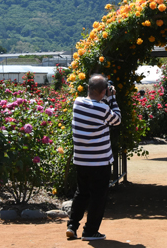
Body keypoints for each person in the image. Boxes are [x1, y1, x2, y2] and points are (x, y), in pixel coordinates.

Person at [66, 74, 121, 241]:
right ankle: (90, 231)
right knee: (98, 196)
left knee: (81, 192)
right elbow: (117, 120)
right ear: (104, 91)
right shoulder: (103, 108)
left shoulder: (77, 103)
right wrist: (112, 99)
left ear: (88, 88)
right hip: (100, 161)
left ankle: (72, 226)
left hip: (81, 159)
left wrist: (105, 94)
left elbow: (93, 101)